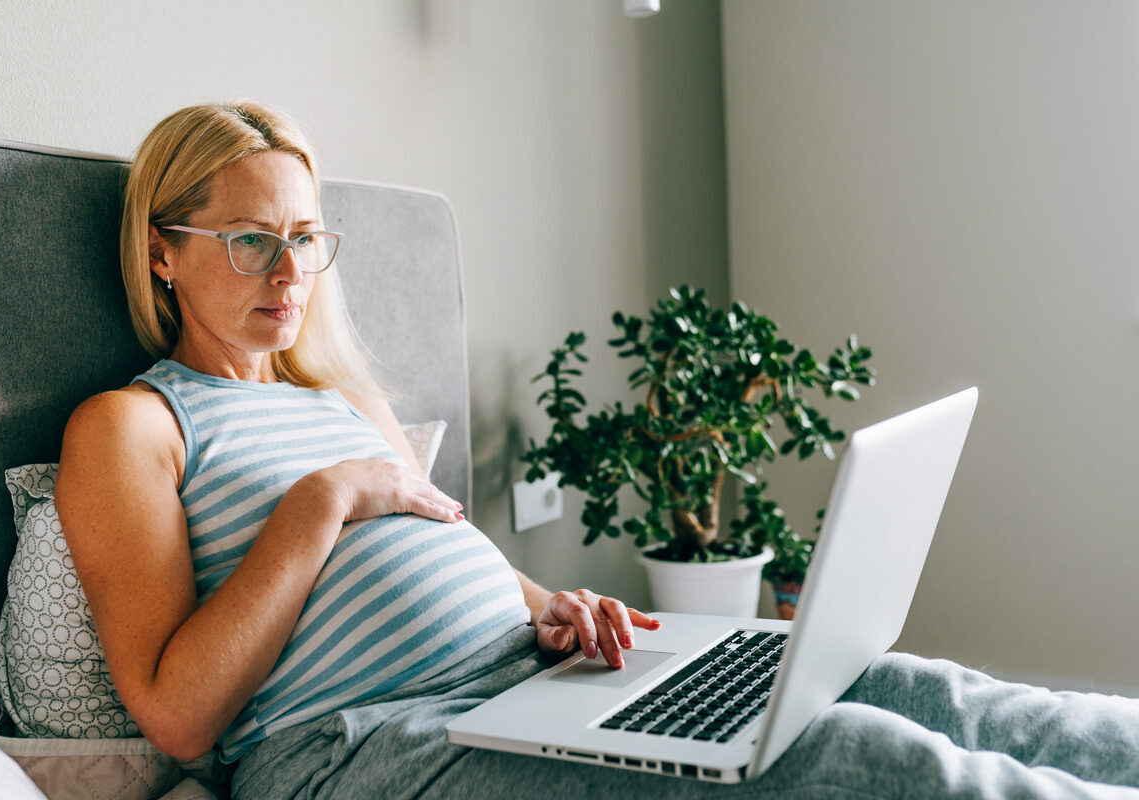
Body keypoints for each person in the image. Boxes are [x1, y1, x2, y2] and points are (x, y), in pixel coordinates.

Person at [55, 101, 1139, 800]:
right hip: (365, 746)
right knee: (863, 762)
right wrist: (320, 503)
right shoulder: (133, 426)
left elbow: (453, 552)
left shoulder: (340, 399)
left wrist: (552, 606)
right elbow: (178, 714)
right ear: (162, 253)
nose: (290, 272)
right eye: (252, 241)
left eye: (304, 239)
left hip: (536, 676)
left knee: (921, 691)